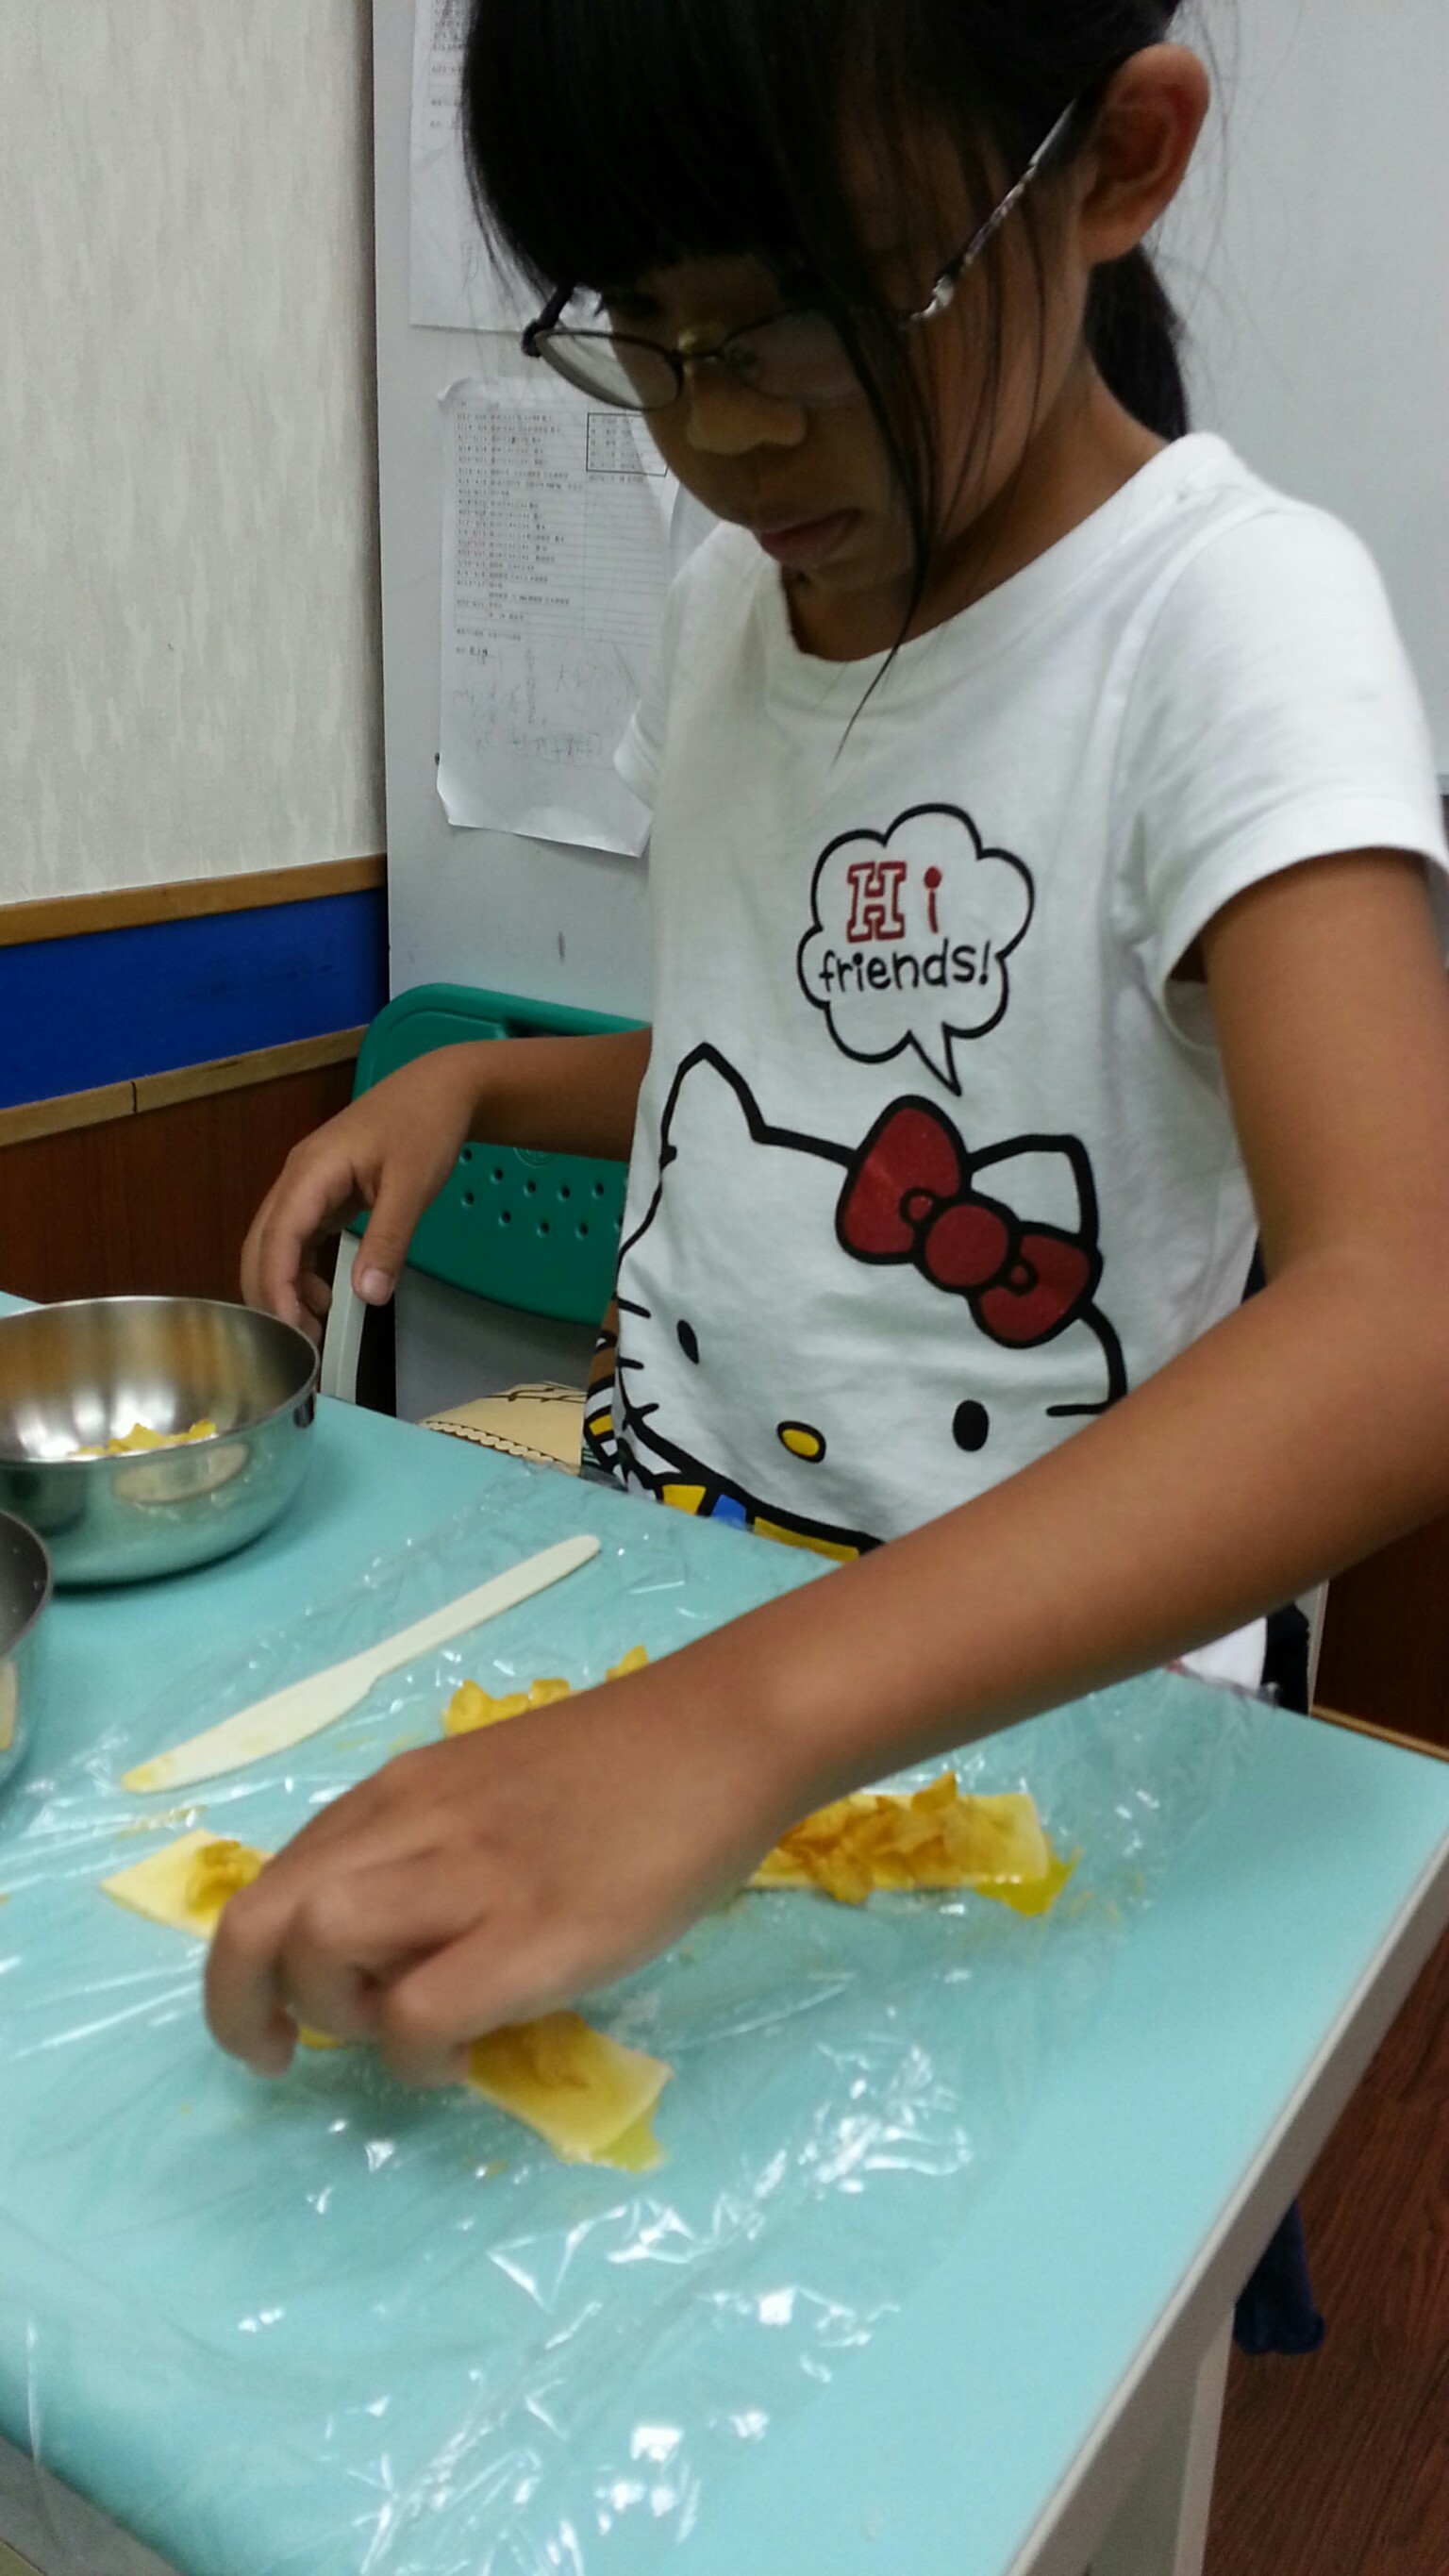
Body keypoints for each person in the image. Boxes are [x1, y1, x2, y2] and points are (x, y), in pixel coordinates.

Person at [209, 0, 1449, 2087]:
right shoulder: (724, 608)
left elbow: (1403, 1310)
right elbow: (783, 1077)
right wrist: (484, 1082)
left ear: (1116, 164)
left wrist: (730, 1728)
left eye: (807, 313)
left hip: (1043, 1749)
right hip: (676, 1623)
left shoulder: (1230, 620)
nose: (722, 430)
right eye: (646, 325)